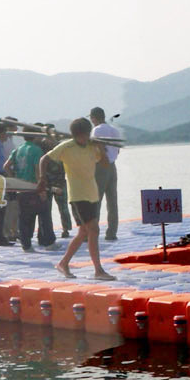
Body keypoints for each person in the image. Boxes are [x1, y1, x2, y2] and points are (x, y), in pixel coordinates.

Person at [37, 118, 115, 281]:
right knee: (94, 230)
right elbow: (44, 159)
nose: (84, 138)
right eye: (81, 136)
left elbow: (106, 164)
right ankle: (98, 270)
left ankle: (63, 263)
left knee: (84, 232)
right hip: (78, 195)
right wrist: (42, 178)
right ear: (75, 135)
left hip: (92, 193)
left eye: (86, 135)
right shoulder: (67, 146)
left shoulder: (92, 146)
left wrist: (102, 149)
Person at [6, 126, 53, 252]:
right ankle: (48, 242)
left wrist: (15, 179)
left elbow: (7, 166)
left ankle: (26, 245)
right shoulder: (36, 150)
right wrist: (42, 188)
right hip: (34, 187)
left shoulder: (18, 150)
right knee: (44, 214)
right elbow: (38, 170)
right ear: (35, 136)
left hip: (21, 188)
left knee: (24, 217)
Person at [89, 107, 120, 241]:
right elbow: (117, 150)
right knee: (112, 201)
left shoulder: (97, 129)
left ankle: (93, 232)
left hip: (101, 165)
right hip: (113, 166)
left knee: (96, 200)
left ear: (93, 118)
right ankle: (111, 232)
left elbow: (98, 147)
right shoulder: (114, 130)